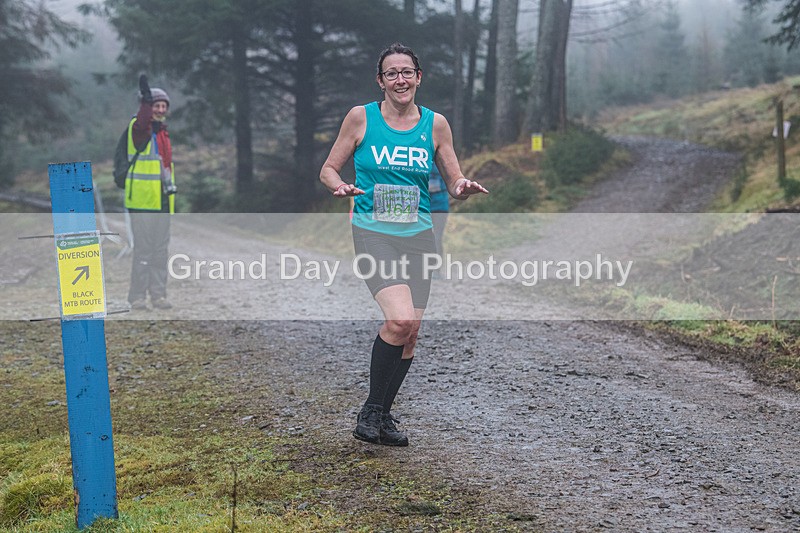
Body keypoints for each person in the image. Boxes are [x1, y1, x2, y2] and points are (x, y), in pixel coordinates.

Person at [319, 43, 488, 446]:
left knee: (411, 334)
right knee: (400, 321)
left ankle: (383, 416)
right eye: (392, 73)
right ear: (381, 81)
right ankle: (371, 411)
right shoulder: (361, 118)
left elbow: (453, 181)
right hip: (373, 231)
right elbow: (327, 168)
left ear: (418, 77)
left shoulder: (436, 125)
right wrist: (339, 185)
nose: (400, 79)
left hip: (418, 236)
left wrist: (462, 186)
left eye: (407, 72)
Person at [125, 74, 176, 310]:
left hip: (163, 202)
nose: (160, 109)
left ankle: (158, 296)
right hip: (143, 202)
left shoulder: (162, 133)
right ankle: (137, 297)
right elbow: (143, 121)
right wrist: (145, 102)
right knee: (144, 251)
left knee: (159, 251)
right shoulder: (139, 130)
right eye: (156, 105)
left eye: (163, 106)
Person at [428, 162, 449, 273]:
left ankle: (436, 270)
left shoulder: (442, 159)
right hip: (422, 204)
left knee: (437, 237)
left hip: (440, 203)